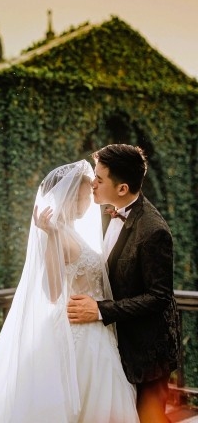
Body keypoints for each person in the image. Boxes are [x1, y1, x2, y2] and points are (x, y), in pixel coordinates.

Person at [0, 159, 139, 422]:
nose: (87, 202)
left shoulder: (75, 232)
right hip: (79, 331)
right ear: (68, 197)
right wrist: (52, 236)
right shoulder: (56, 234)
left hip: (97, 326)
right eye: (82, 196)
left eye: (86, 196)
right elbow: (53, 292)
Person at [67, 144, 181, 423]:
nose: (92, 184)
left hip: (146, 355)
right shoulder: (111, 213)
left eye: (99, 179)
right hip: (115, 347)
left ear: (122, 188)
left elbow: (159, 297)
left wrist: (100, 310)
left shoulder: (153, 230)